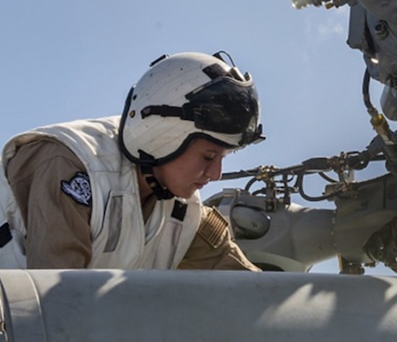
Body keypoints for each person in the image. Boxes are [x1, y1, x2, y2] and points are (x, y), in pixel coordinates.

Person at [0, 51, 263, 271]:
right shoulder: (71, 166)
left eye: (223, 157)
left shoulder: (186, 215)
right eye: (208, 156)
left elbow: (253, 288)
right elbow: (55, 305)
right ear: (163, 136)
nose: (216, 173)